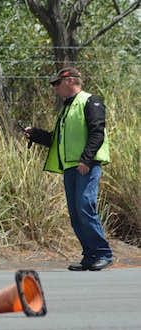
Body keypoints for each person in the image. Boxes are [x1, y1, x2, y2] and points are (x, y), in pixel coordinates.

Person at [23, 67, 113, 271]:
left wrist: (86, 159)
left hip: (85, 166)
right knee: (75, 214)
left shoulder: (91, 101)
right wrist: (35, 134)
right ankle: (90, 256)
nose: (55, 88)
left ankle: (103, 254)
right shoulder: (66, 109)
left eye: (57, 83)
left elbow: (97, 133)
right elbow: (56, 140)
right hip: (70, 169)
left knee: (85, 208)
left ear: (70, 81)